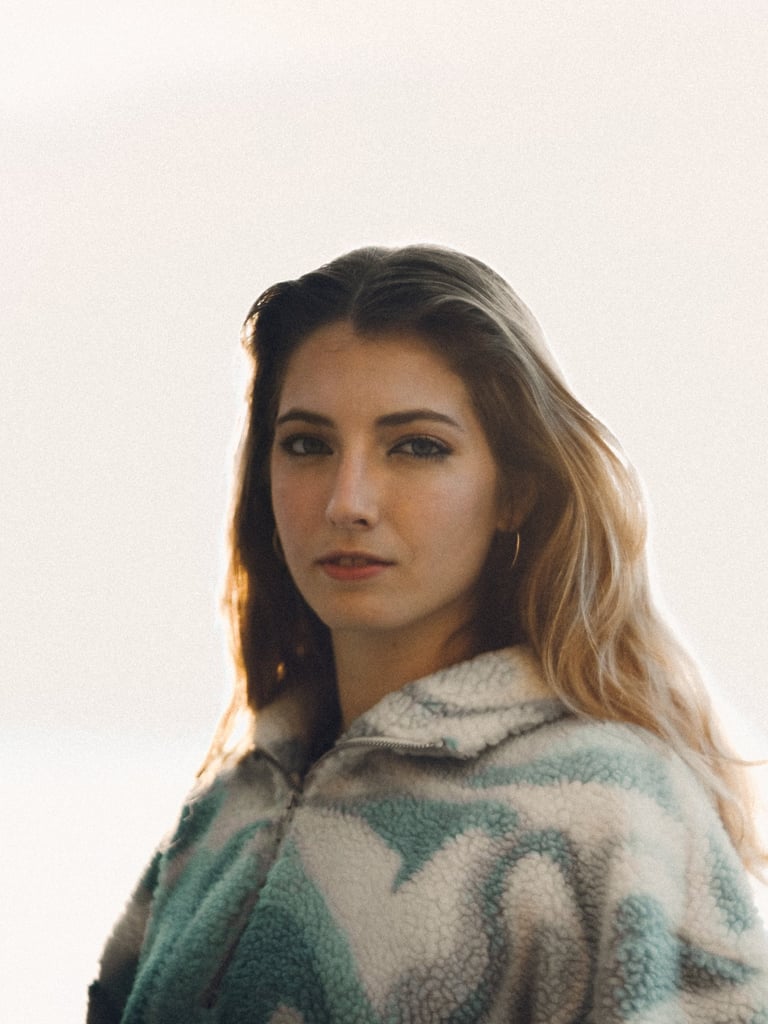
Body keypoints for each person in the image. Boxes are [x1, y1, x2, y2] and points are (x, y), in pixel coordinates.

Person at [88, 245, 768, 1023]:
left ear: (515, 491)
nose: (347, 501)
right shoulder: (227, 811)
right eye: (308, 444)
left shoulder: (608, 813)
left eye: (417, 446)